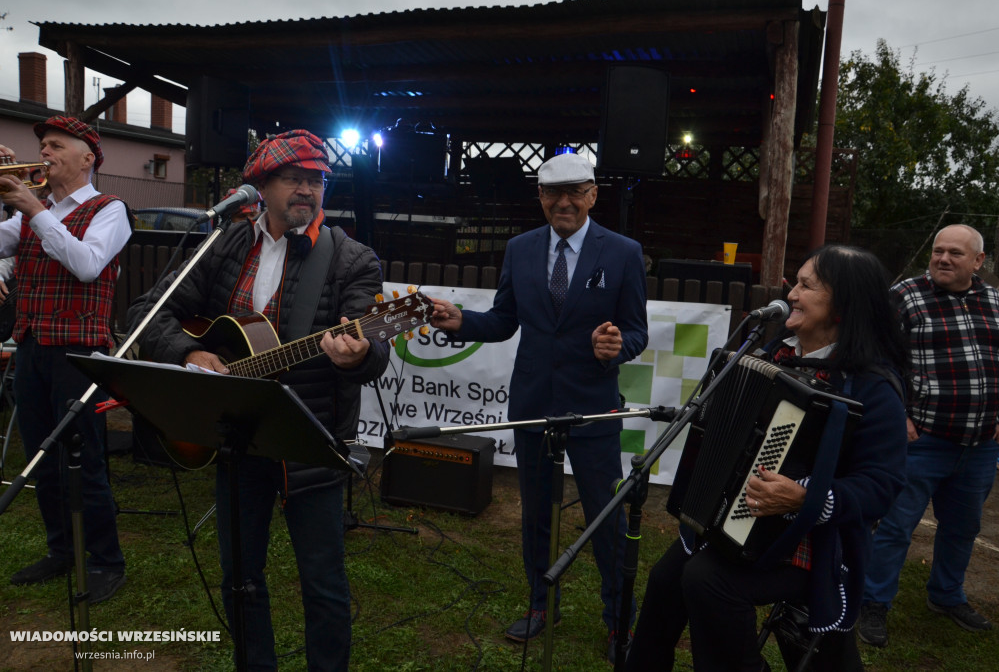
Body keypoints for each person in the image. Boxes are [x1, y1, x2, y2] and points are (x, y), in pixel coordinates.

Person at [128, 129, 390, 671]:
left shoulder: (351, 259)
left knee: (323, 586)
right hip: (235, 439)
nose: (306, 190)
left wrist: (357, 355)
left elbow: (376, 350)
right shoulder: (224, 243)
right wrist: (189, 355)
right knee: (240, 579)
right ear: (260, 187)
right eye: (292, 178)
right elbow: (147, 315)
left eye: (316, 180)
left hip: (311, 444)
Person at [625, 245, 908, 672]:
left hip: (813, 541)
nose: (791, 294)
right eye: (795, 282)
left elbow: (881, 487)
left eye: (807, 286)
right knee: (667, 579)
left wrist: (804, 497)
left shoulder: (872, 387)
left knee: (707, 580)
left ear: (842, 306)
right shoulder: (773, 355)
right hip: (735, 521)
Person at [429, 152, 648, 661]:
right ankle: (540, 604)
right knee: (537, 518)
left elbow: (634, 329)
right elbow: (505, 319)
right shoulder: (520, 249)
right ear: (541, 198)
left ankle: (619, 621)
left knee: (605, 518)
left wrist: (619, 345)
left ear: (594, 194)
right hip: (532, 407)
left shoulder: (622, 252)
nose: (564, 202)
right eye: (553, 193)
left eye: (575, 192)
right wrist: (462, 321)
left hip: (592, 409)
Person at [857, 224, 999, 647]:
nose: (944, 259)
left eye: (955, 253)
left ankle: (947, 596)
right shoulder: (906, 297)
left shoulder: (995, 302)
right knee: (896, 525)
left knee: (962, 526)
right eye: (938, 251)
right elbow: (877, 360)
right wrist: (899, 417)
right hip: (922, 440)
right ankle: (873, 603)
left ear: (978, 261)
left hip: (982, 445)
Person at [0, 116, 130, 604]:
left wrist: (34, 207)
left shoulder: (109, 209)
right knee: (42, 455)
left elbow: (87, 264)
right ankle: (62, 549)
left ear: (87, 157)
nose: (46, 153)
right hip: (33, 345)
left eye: (56, 145)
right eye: (43, 146)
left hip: (79, 350)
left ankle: (106, 560)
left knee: (82, 457)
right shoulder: (32, 212)